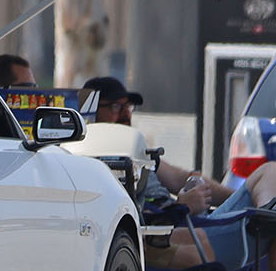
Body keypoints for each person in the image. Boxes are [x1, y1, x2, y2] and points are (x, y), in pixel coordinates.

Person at [81, 74, 228, 207]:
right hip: (168, 229)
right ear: (91, 112)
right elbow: (127, 215)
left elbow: (180, 178)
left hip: (185, 221)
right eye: (116, 107)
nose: (126, 114)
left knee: (250, 185)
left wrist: (230, 197)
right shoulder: (88, 162)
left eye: (128, 107)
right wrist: (183, 207)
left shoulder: (135, 151)